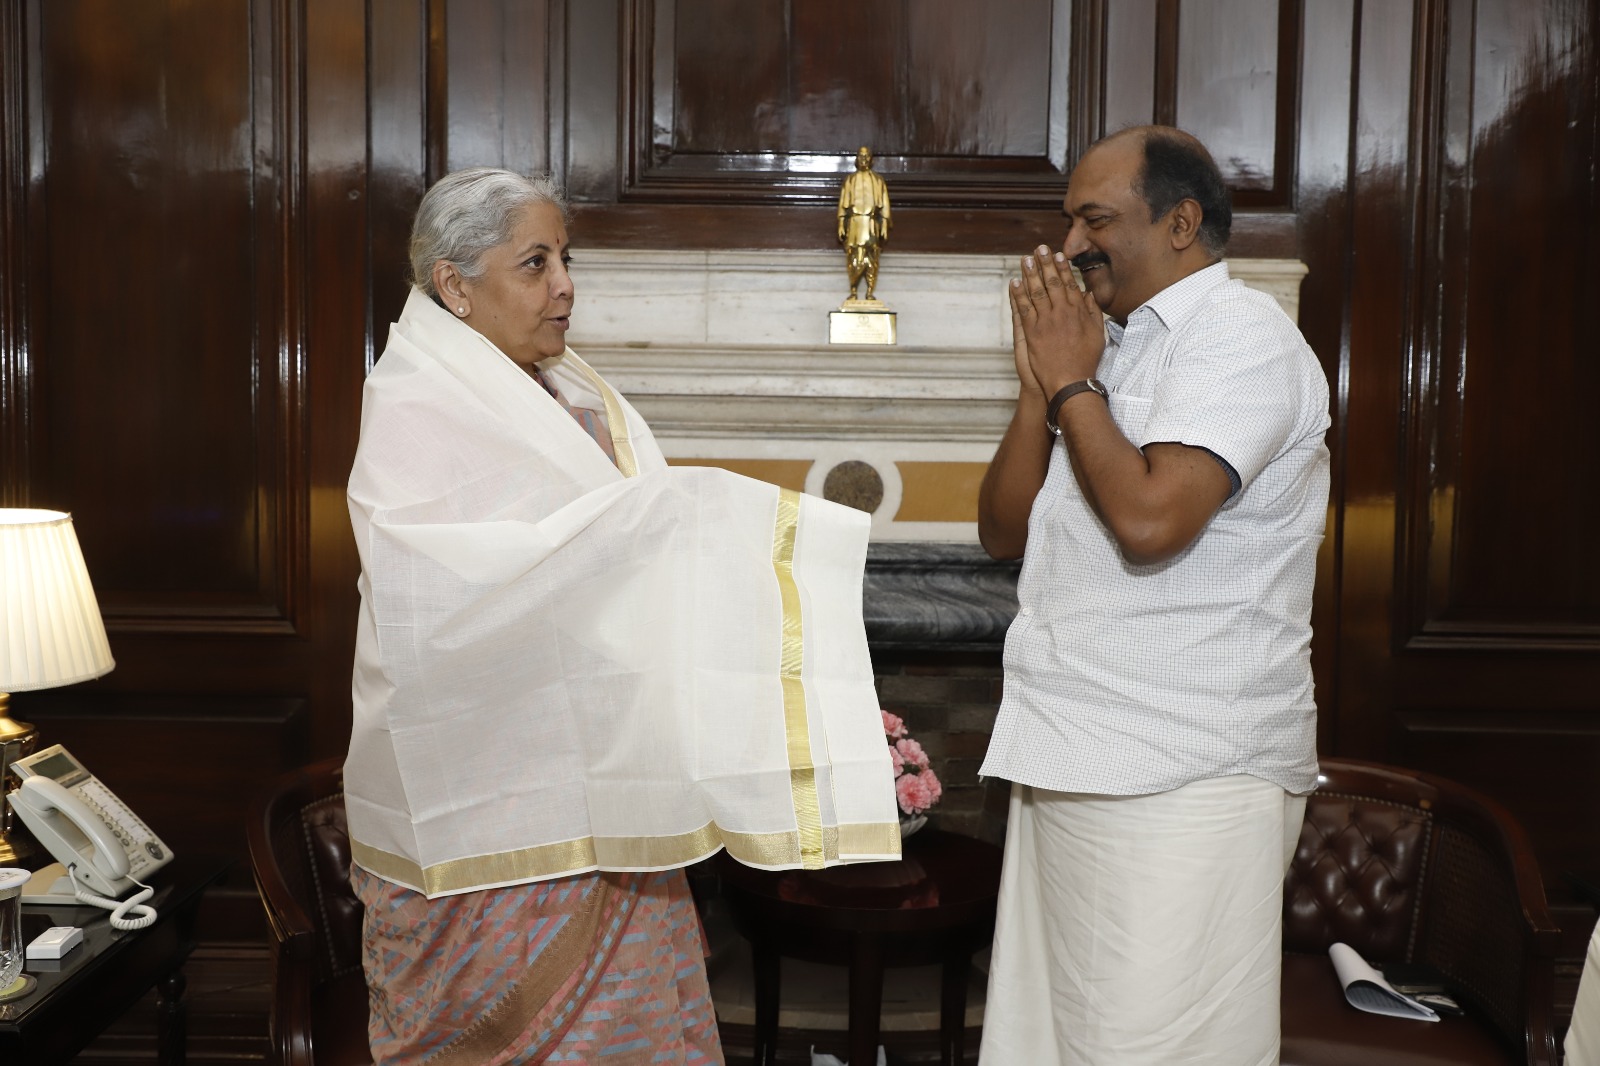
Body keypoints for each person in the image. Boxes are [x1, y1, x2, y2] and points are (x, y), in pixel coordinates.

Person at [344, 168, 900, 1065]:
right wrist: (655, 517)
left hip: (596, 781)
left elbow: (606, 566)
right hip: (484, 806)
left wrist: (651, 525)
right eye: (535, 263)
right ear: (455, 285)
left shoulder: (567, 392)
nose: (564, 284)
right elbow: (437, 597)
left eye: (566, 258)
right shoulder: (418, 403)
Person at [975, 127, 1331, 1065]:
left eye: (1096, 220)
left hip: (1186, 772)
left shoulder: (1243, 339)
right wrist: (1036, 393)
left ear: (1181, 223)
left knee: (1154, 1050)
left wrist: (1072, 383)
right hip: (1073, 751)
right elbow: (1001, 534)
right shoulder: (1111, 348)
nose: (1073, 244)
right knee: (1049, 1043)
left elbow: (1150, 523)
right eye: (1069, 222)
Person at [836, 146, 891, 301]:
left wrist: (885, 224)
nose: (864, 159)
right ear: (856, 158)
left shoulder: (878, 180)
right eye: (861, 156)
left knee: (872, 257)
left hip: (871, 223)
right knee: (855, 257)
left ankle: (869, 291)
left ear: (871, 159)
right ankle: (853, 289)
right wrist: (841, 223)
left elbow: (884, 204)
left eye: (866, 156)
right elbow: (843, 204)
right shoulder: (850, 180)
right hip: (855, 222)